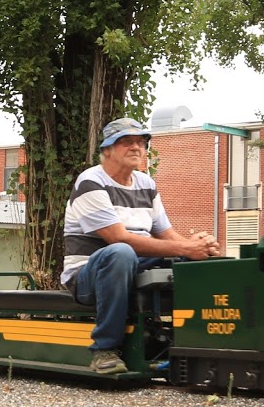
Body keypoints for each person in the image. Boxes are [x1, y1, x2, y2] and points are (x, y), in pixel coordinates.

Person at [61, 117, 220, 374]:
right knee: (121, 253)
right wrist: (185, 248)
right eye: (126, 142)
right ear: (107, 150)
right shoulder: (90, 182)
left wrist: (199, 247)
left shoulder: (146, 184)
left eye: (141, 142)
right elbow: (118, 239)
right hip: (88, 275)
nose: (136, 147)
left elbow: (168, 235)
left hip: (132, 263)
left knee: (187, 261)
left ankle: (193, 340)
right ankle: (105, 350)